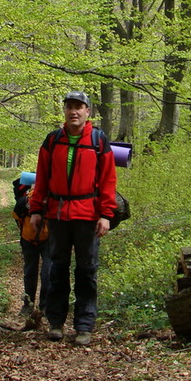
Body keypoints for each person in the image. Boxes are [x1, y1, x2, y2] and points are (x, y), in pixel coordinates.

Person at [28, 91, 117, 346]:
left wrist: (106, 215)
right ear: (64, 111)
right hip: (57, 215)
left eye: (79, 107)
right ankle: (55, 323)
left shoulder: (99, 141)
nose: (73, 111)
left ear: (88, 111)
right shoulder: (53, 140)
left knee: (87, 271)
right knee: (57, 269)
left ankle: (84, 326)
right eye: (69, 107)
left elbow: (108, 181)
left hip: (88, 216)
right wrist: (36, 210)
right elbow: (42, 177)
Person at [11, 176, 51, 318]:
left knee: (46, 273)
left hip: (47, 241)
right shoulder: (23, 203)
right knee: (31, 272)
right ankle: (30, 304)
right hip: (29, 240)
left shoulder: (52, 202)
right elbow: (18, 218)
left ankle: (42, 306)